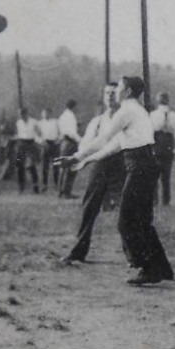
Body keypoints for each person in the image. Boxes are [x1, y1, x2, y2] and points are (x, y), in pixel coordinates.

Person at [73, 75, 175, 285]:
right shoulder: (137, 111)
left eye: (119, 87)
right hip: (146, 165)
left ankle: (148, 268)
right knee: (143, 221)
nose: (116, 91)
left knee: (125, 223)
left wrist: (77, 156)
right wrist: (87, 160)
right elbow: (115, 146)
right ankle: (163, 268)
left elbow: (103, 139)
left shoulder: (127, 110)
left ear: (127, 92)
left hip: (140, 168)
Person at [62, 84, 127, 265]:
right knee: (89, 206)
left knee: (127, 210)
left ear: (120, 96)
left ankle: (134, 255)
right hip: (100, 164)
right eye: (107, 93)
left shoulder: (126, 118)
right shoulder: (97, 121)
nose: (110, 96)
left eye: (114, 93)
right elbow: (87, 143)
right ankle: (79, 251)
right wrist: (79, 161)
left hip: (122, 165)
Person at [149, 92, 175, 205]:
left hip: (156, 146)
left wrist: (150, 149)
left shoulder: (152, 115)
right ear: (168, 101)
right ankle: (165, 202)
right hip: (168, 147)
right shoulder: (174, 115)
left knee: (154, 177)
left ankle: (154, 201)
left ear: (158, 101)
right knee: (166, 177)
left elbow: (149, 133)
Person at [12, 109, 41, 194]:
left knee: (32, 166)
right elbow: (18, 133)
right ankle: (21, 187)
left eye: (23, 115)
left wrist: (38, 141)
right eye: (20, 116)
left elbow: (39, 133)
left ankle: (35, 187)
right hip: (21, 144)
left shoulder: (34, 122)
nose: (22, 117)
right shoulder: (19, 122)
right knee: (20, 165)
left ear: (26, 114)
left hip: (31, 143)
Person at [57, 100, 80, 197]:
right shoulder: (71, 116)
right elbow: (72, 132)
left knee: (63, 167)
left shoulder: (62, 116)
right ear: (73, 107)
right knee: (72, 167)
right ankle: (67, 192)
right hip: (70, 142)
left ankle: (60, 191)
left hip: (64, 143)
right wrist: (81, 140)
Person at [37, 107, 61, 196]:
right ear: (42, 114)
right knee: (44, 166)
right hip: (45, 144)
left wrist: (58, 140)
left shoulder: (55, 122)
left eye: (47, 113)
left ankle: (56, 184)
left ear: (50, 113)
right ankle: (44, 185)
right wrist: (41, 142)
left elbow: (61, 132)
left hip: (54, 144)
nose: (45, 115)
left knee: (56, 165)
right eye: (43, 113)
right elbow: (36, 135)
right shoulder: (39, 123)